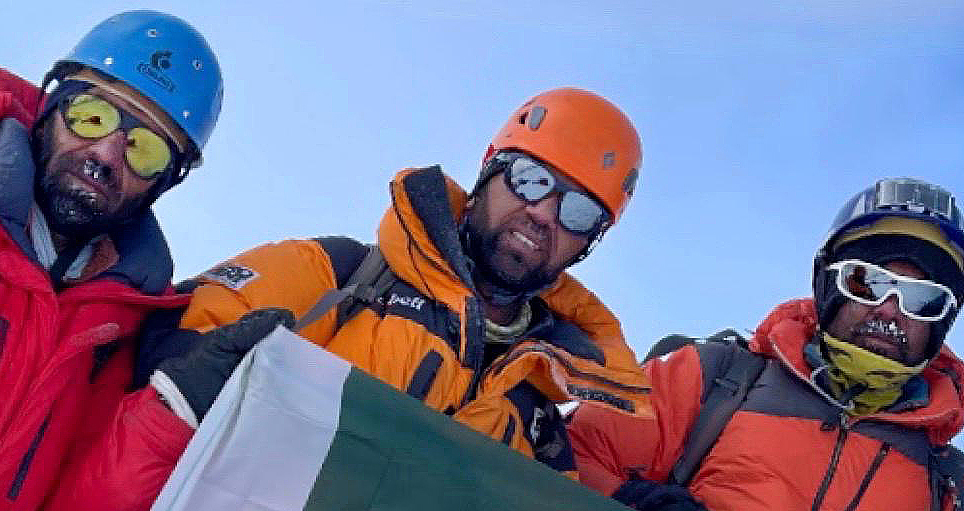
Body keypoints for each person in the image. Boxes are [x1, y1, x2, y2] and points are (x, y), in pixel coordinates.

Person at [141, 87, 652, 488]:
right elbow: (168, 348)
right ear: (489, 167)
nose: (542, 213)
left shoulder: (539, 423)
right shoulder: (341, 277)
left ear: (589, 242)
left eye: (578, 211)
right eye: (529, 178)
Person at [568, 178, 964, 511]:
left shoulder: (951, 485)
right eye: (867, 282)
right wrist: (630, 501)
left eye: (922, 299)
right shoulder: (713, 378)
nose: (890, 309)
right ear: (829, 286)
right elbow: (568, 456)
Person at [0, 10, 222, 511]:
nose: (104, 155)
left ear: (164, 182)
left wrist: (170, 413)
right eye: (93, 116)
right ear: (51, 105)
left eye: (144, 150)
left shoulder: (129, 333)